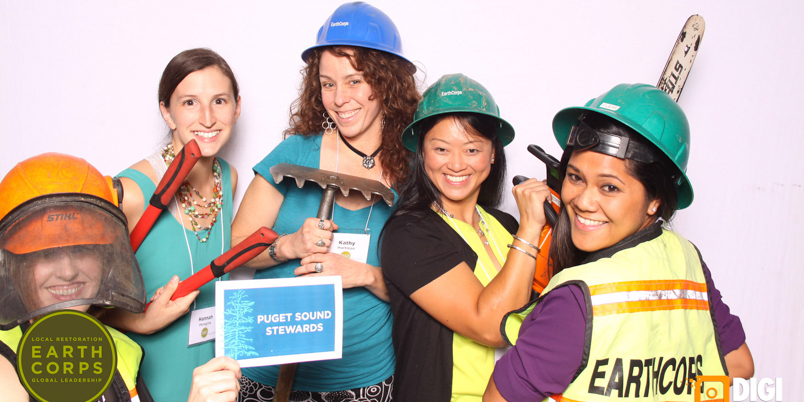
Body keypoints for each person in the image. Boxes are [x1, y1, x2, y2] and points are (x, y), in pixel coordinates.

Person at [484, 83, 754, 401]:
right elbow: (739, 364)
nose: (583, 201)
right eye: (575, 177)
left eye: (609, 188)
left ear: (655, 200)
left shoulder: (578, 296)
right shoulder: (687, 258)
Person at [230, 2, 419, 400]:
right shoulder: (296, 153)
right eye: (327, 83)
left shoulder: (414, 169)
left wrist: (365, 274)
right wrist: (287, 246)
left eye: (354, 81)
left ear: (386, 81)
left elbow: (427, 290)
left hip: (364, 375)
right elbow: (234, 250)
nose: (339, 97)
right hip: (266, 365)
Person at [380, 74, 551, 402]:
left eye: (472, 149)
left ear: (492, 154)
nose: (456, 164)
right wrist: (531, 228)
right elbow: (491, 326)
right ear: (422, 153)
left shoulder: (505, 224)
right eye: (441, 149)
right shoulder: (409, 233)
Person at [102, 48, 241, 400]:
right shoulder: (131, 192)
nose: (207, 118)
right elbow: (80, 304)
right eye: (190, 103)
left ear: (237, 107)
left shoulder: (229, 177)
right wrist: (142, 322)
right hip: (149, 375)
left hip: (212, 377)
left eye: (220, 101)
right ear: (167, 112)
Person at [0, 153, 151, 401]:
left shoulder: (121, 350)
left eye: (82, 250)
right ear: (15, 264)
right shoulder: (4, 367)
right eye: (46, 254)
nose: (68, 272)